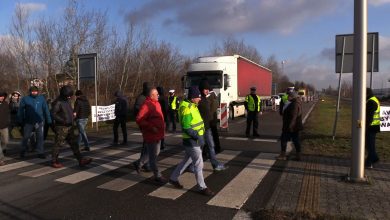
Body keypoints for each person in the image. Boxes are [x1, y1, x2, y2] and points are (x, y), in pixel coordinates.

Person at [169, 86, 215, 196]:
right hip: (192, 141)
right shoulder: (187, 108)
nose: (200, 99)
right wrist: (198, 137)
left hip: (193, 140)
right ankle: (202, 187)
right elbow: (186, 127)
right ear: (192, 97)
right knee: (199, 164)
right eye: (198, 97)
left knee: (187, 161)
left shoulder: (192, 105)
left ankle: (173, 178)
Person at [51, 85, 92, 168]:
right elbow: (53, 114)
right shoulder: (57, 102)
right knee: (58, 144)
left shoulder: (67, 101)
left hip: (70, 126)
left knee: (74, 144)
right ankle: (54, 161)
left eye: (70, 95)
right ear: (64, 94)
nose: (70, 97)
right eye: (68, 95)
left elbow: (70, 111)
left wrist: (72, 118)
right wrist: (63, 120)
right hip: (62, 127)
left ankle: (81, 160)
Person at [133, 88, 167, 184]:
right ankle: (157, 176)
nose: (158, 95)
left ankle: (139, 163)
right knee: (153, 157)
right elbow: (139, 119)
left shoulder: (156, 103)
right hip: (151, 134)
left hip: (158, 134)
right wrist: (151, 127)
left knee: (156, 152)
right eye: (156, 94)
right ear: (151, 95)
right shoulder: (146, 105)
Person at [198, 79, 226, 171]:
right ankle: (192, 166)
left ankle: (215, 165)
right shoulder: (198, 100)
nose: (207, 91)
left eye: (208, 89)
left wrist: (210, 120)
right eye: (205, 89)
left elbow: (211, 111)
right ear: (201, 89)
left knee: (211, 145)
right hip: (200, 128)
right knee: (199, 148)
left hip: (207, 127)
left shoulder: (206, 99)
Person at [17, 86, 52, 159]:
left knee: (40, 137)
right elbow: (20, 110)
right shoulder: (25, 99)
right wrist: (20, 120)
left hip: (39, 121)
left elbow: (46, 109)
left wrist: (49, 119)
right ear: (30, 92)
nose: (34, 92)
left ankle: (40, 152)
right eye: (32, 91)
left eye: (35, 91)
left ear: (37, 92)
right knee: (26, 137)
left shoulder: (41, 98)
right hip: (28, 121)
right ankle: (22, 151)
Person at [276, 91, 303, 161]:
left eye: (289, 96)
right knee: (295, 140)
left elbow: (293, 117)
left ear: (292, 96)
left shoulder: (294, 104)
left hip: (291, 126)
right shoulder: (295, 103)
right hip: (294, 126)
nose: (287, 97)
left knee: (284, 140)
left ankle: (283, 155)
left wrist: (290, 126)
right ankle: (298, 155)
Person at [365, 88, 381, 168]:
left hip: (371, 127)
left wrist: (365, 127)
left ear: (366, 93)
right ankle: (370, 161)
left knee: (369, 145)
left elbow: (369, 117)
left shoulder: (371, 102)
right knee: (370, 145)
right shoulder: (374, 99)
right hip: (374, 126)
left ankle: (372, 159)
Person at [208, 89, 221, 154]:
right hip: (213, 118)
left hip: (210, 119)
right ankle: (217, 147)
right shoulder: (215, 96)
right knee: (215, 134)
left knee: (208, 134)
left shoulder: (209, 97)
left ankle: (208, 149)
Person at [157, 86, 168, 150]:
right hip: (162, 116)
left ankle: (158, 144)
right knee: (162, 132)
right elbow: (166, 108)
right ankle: (162, 144)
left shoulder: (157, 98)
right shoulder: (164, 98)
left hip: (156, 117)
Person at [0, 91, 10, 165]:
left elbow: (8, 114)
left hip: (4, 126)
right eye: (0, 96)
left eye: (3, 96)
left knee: (5, 142)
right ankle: (1, 159)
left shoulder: (6, 104)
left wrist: (8, 122)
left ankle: (2, 150)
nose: (2, 97)